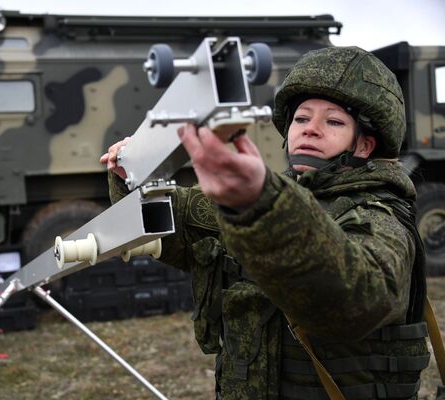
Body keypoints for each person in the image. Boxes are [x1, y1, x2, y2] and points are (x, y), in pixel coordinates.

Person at [101, 46, 429, 400]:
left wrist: (264, 202)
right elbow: (171, 225)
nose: (312, 130)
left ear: (364, 145)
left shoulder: (380, 216)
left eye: (333, 121)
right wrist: (132, 177)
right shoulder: (267, 197)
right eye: (302, 119)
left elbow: (360, 299)